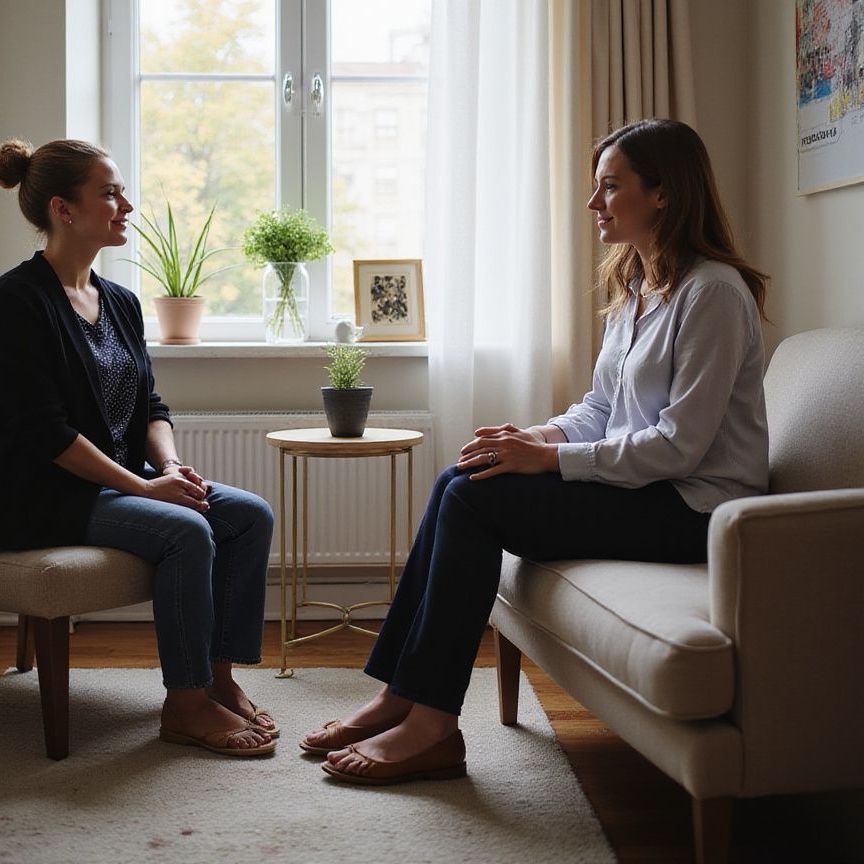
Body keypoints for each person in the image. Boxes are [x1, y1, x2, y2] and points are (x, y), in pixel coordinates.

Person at [302, 118, 769, 785]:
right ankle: (401, 694)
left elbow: (679, 448)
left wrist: (548, 462)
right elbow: (602, 410)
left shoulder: (713, 293)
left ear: (663, 193)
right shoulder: (638, 287)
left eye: (610, 187)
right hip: (649, 489)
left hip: (696, 511)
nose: (593, 203)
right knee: (463, 475)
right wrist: (535, 438)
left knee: (471, 500)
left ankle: (433, 724)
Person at [0, 138, 277, 758]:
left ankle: (218, 679)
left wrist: (169, 466)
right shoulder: (13, 303)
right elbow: (42, 432)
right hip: (36, 497)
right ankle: (184, 703)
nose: (126, 204)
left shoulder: (121, 302)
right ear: (64, 209)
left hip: (111, 481)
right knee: (186, 531)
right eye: (109, 192)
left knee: (247, 515)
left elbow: (151, 408)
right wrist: (143, 488)